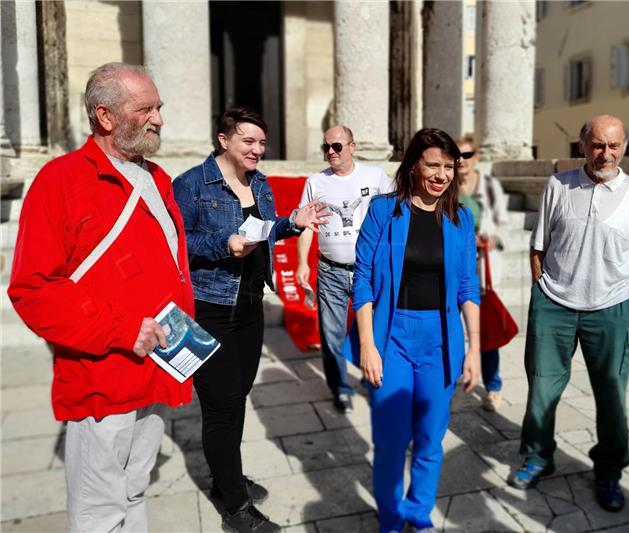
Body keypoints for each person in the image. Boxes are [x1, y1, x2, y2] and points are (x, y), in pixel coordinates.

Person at [7, 62, 193, 532]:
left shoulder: (158, 178)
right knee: (98, 512)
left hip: (158, 370)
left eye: (159, 107)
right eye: (146, 108)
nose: (159, 118)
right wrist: (121, 329)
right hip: (102, 378)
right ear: (106, 116)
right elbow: (33, 289)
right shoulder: (59, 181)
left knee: (134, 489)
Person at [173, 108, 329, 533]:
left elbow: (262, 230)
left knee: (237, 397)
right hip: (209, 308)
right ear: (223, 140)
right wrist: (224, 243)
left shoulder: (259, 182)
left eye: (262, 143)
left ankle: (227, 477)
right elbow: (176, 241)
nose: (258, 150)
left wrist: (291, 224)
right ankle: (236, 507)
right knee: (221, 406)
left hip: (248, 306)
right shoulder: (190, 184)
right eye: (249, 141)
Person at [510, 115, 629, 514]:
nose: (604, 153)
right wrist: (541, 288)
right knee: (542, 387)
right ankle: (539, 456)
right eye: (597, 145)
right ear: (582, 145)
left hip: (611, 309)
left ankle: (609, 469)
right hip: (555, 303)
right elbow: (538, 244)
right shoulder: (559, 184)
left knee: (611, 396)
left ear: (624, 146)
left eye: (613, 145)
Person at [344, 128, 481, 533]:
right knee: (390, 441)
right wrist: (368, 344)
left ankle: (418, 514)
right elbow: (364, 277)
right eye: (433, 165)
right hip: (392, 336)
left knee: (429, 439)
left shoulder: (461, 217)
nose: (442, 175)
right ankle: (389, 519)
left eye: (449, 167)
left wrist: (474, 349)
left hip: (441, 339)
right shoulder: (385, 210)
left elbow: (468, 285)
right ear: (414, 166)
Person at [295, 125, 393, 413]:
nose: (330, 152)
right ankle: (340, 387)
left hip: (370, 270)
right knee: (332, 334)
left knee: (376, 330)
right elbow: (306, 225)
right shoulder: (316, 182)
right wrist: (302, 262)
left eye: (336, 146)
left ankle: (374, 377)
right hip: (331, 270)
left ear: (352, 146)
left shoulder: (375, 177)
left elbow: (392, 218)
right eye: (326, 147)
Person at [455, 134, 510, 412]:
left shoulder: (489, 187)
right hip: (452, 270)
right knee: (452, 329)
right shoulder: (447, 186)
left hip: (482, 271)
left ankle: (493, 386)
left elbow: (503, 227)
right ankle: (454, 376)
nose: (461, 161)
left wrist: (488, 237)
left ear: (476, 158)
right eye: (457, 155)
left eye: (466, 155)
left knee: (484, 331)